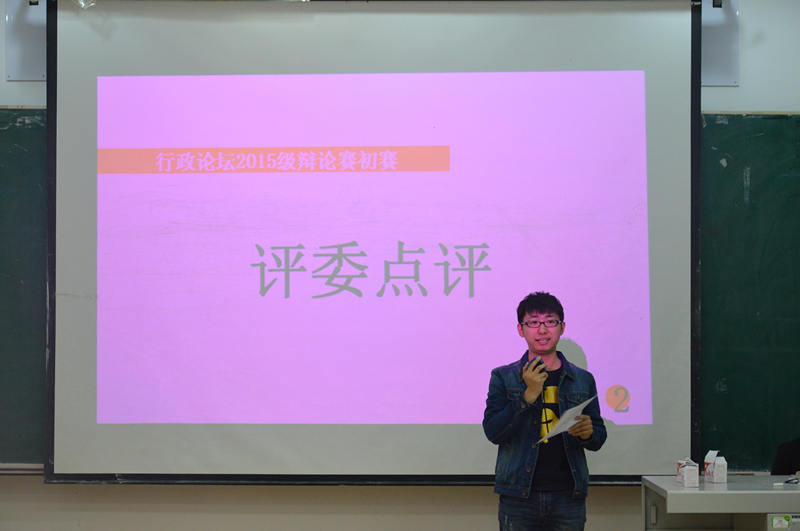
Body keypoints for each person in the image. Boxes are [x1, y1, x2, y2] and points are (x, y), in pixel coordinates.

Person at [483, 291, 606, 531]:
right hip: (519, 495)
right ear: (521, 330)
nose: (542, 330)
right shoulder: (503, 377)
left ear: (562, 327)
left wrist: (589, 434)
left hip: (568, 494)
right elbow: (493, 432)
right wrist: (527, 396)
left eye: (550, 321)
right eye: (533, 323)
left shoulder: (583, 379)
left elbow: (599, 437)